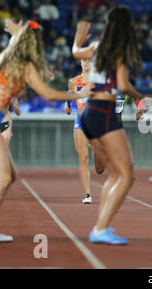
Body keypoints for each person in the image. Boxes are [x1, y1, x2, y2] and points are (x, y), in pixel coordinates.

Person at [0, 21, 91, 244]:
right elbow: (48, 94)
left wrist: (17, 32)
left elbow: (18, 47)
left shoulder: (10, 59)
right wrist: (78, 95)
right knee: (2, 177)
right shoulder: (23, 64)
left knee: (9, 176)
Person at [72, 7, 151, 245]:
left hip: (89, 112)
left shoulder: (97, 46)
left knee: (115, 174)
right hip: (104, 112)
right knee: (127, 176)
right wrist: (141, 97)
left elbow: (76, 53)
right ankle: (101, 228)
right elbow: (123, 85)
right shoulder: (120, 49)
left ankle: (102, 226)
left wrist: (77, 39)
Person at [64, 59, 106, 204]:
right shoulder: (73, 81)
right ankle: (88, 194)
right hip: (80, 121)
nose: (87, 63)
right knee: (83, 158)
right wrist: (67, 105)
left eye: (89, 60)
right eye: (84, 60)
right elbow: (69, 95)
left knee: (99, 161)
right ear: (81, 62)